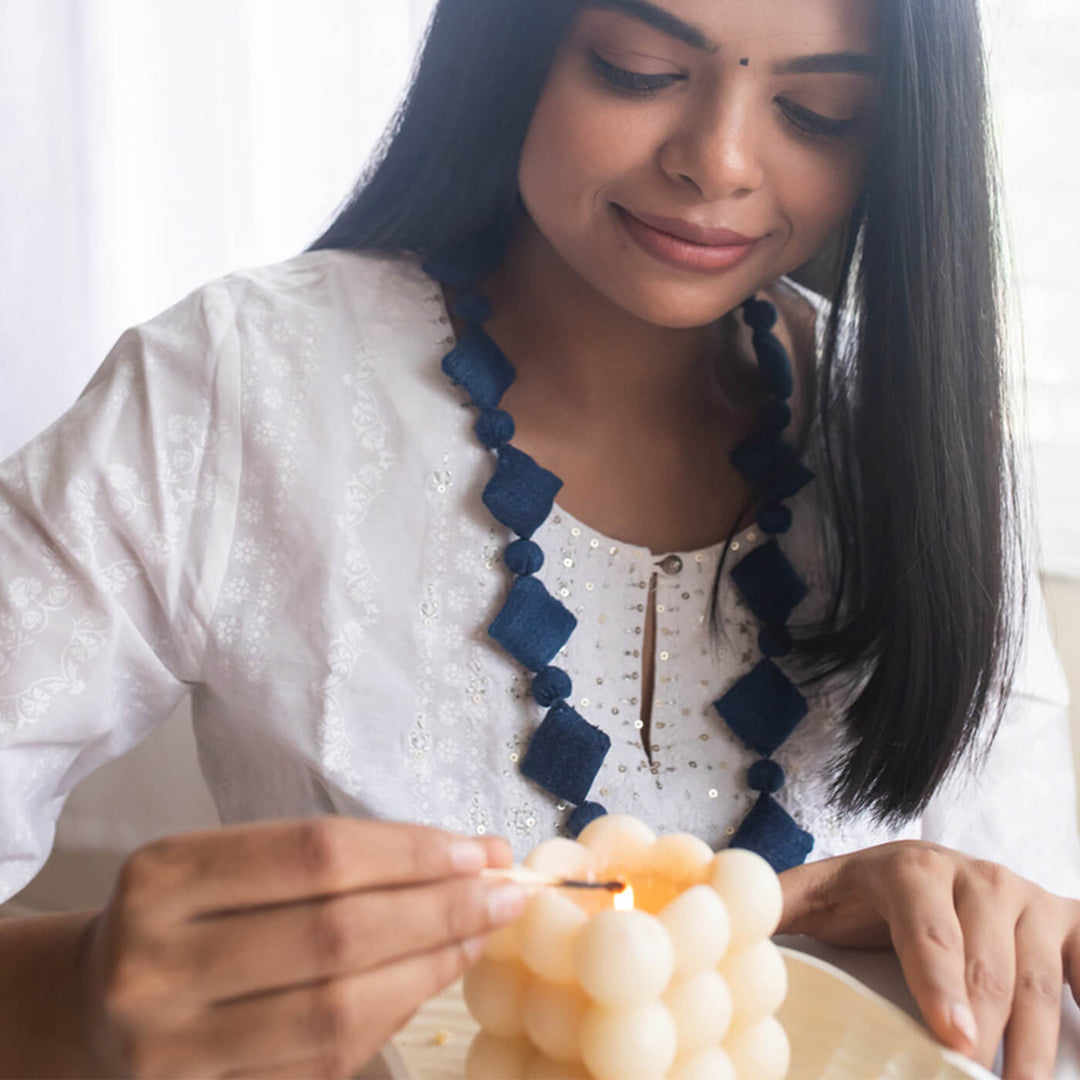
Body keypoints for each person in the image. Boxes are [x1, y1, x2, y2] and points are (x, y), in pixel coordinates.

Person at [1, 0, 1078, 1076]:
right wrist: (82, 989)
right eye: (639, 68)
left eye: (818, 110)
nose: (720, 161)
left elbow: (1033, 988)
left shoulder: (919, 434)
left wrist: (998, 939)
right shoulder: (236, 385)